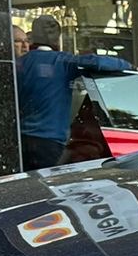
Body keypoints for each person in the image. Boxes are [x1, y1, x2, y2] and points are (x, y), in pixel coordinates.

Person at [16, 17, 131, 172]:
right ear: (57, 37)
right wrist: (131, 67)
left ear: (33, 36)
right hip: (50, 140)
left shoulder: (19, 64)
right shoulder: (63, 61)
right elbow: (97, 62)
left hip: (22, 139)